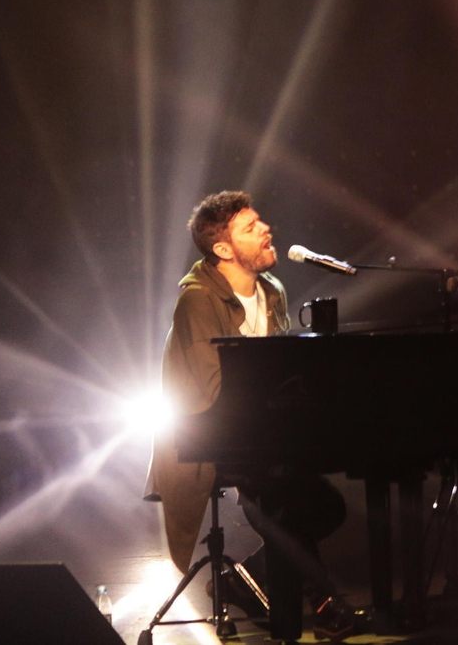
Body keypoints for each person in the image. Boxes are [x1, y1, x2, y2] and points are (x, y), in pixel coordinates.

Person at [144, 190, 356, 641]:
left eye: (261, 221)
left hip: (262, 434)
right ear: (223, 249)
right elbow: (211, 393)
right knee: (278, 501)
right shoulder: (197, 301)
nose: (266, 230)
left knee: (325, 506)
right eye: (250, 227)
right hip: (206, 433)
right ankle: (318, 606)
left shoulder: (272, 291)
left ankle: (244, 582)